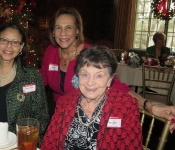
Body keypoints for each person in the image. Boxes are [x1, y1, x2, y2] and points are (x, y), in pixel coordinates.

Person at [40, 7, 175, 133]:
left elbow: (117, 87)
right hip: (58, 114)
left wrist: (149, 105)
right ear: (53, 31)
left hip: (85, 118)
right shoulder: (51, 51)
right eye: (58, 28)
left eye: (68, 27)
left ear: (77, 31)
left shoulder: (90, 54)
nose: (63, 33)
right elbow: (41, 80)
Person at [41, 46, 142, 149]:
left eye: (99, 76)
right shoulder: (64, 103)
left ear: (110, 79)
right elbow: (49, 144)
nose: (90, 83)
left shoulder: (126, 106)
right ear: (77, 75)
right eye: (85, 75)